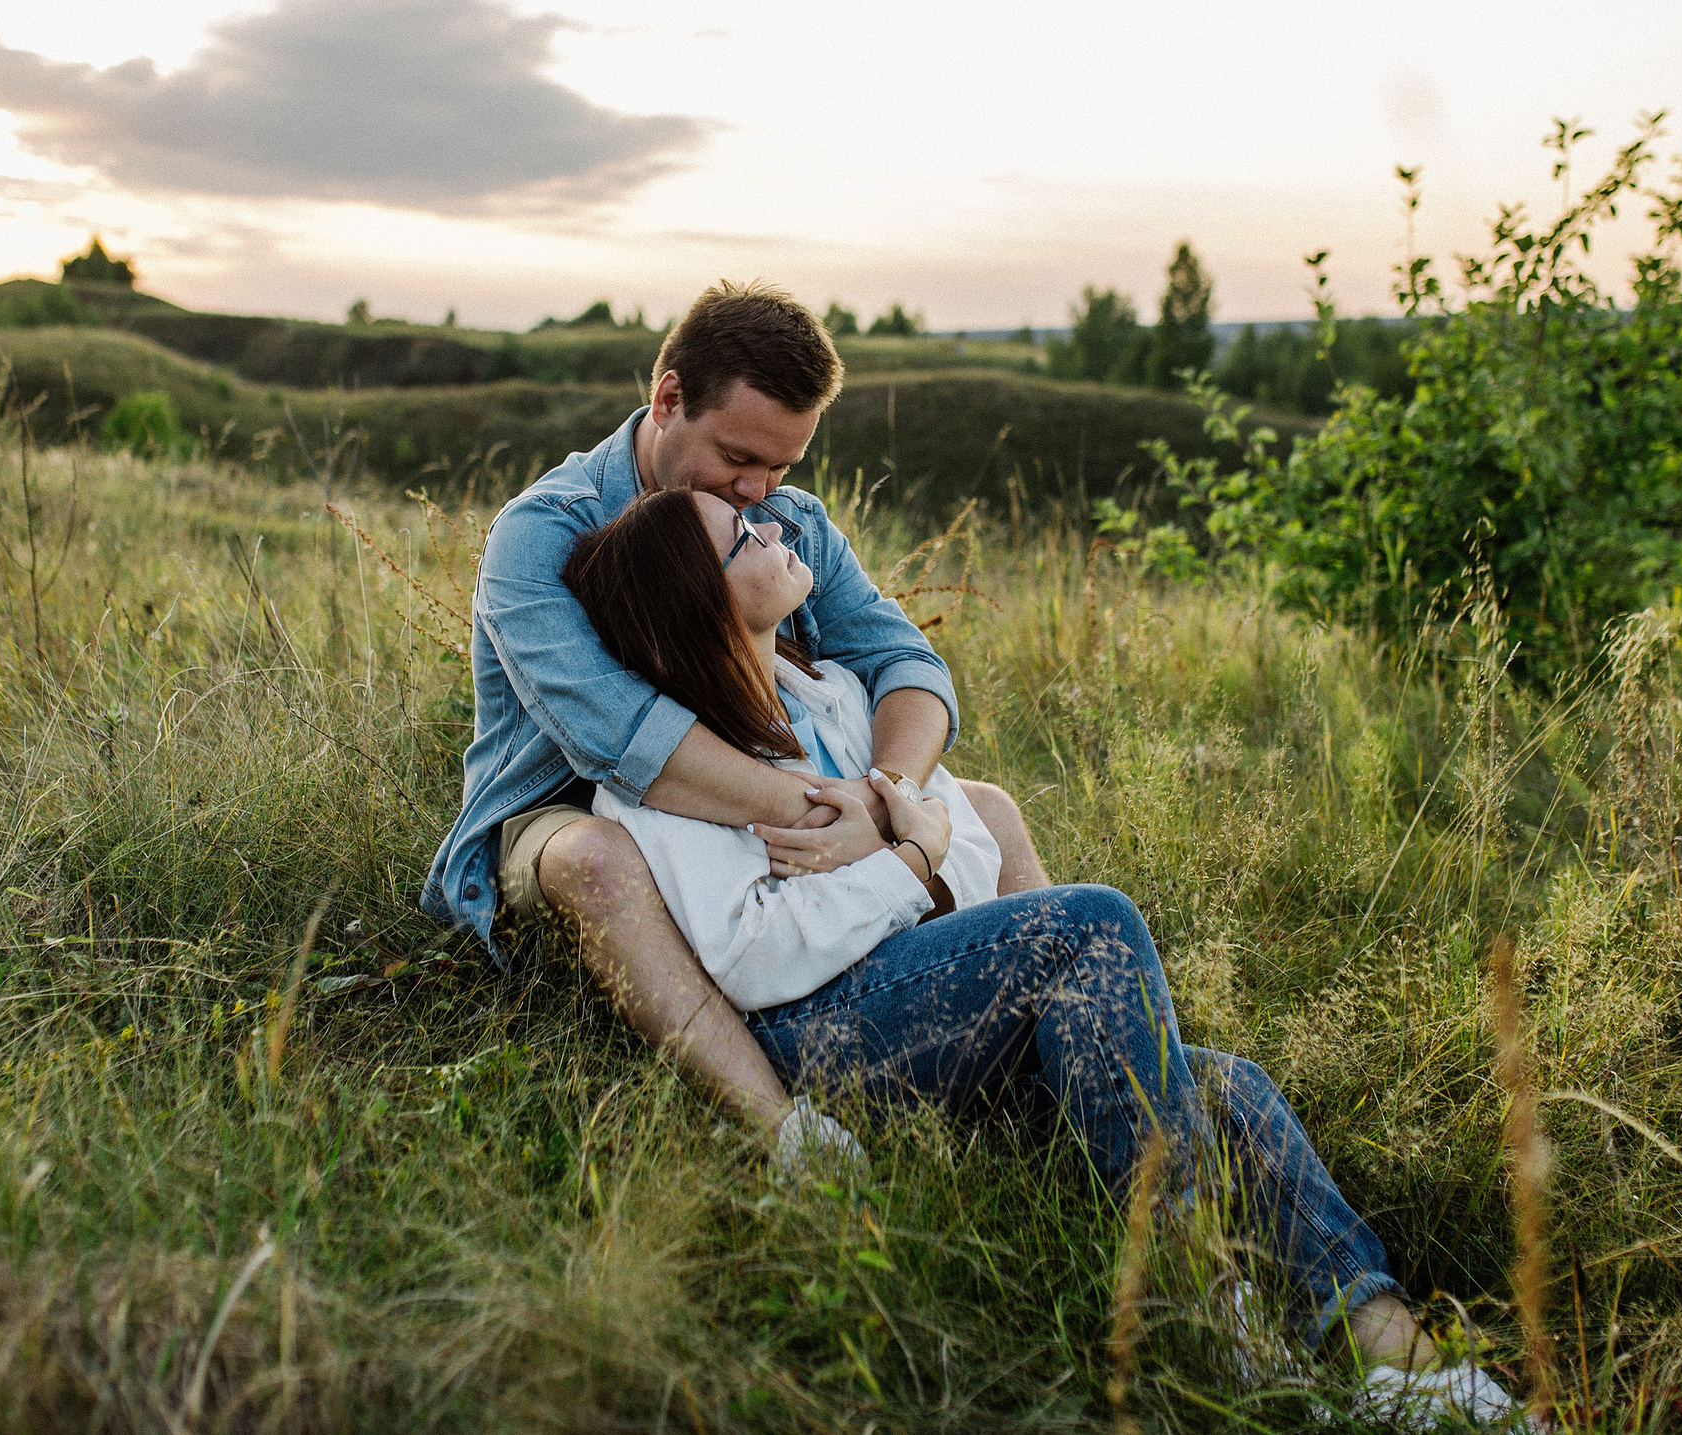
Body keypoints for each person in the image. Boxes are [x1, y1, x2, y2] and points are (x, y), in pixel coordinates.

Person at [556, 483, 1523, 1429]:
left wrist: (910, 845)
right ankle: (1200, 1301)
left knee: (1224, 1083)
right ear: (702, 606)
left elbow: (969, 840)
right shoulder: (668, 778)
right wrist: (906, 860)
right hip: (820, 1037)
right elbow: (760, 953)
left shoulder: (837, 693)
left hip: (930, 995)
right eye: (743, 538)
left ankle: (1403, 1366)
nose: (775, 528)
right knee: (1087, 924)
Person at [423, 281, 1047, 1155]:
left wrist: (890, 791)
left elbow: (908, 665)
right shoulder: (542, 533)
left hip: (757, 799)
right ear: (669, 398)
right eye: (738, 457)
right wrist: (849, 821)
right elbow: (621, 740)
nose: (758, 491)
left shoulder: (785, 522)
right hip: (575, 809)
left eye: (781, 467)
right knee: (595, 859)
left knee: (990, 810)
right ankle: (783, 1130)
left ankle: (1049, 1044)